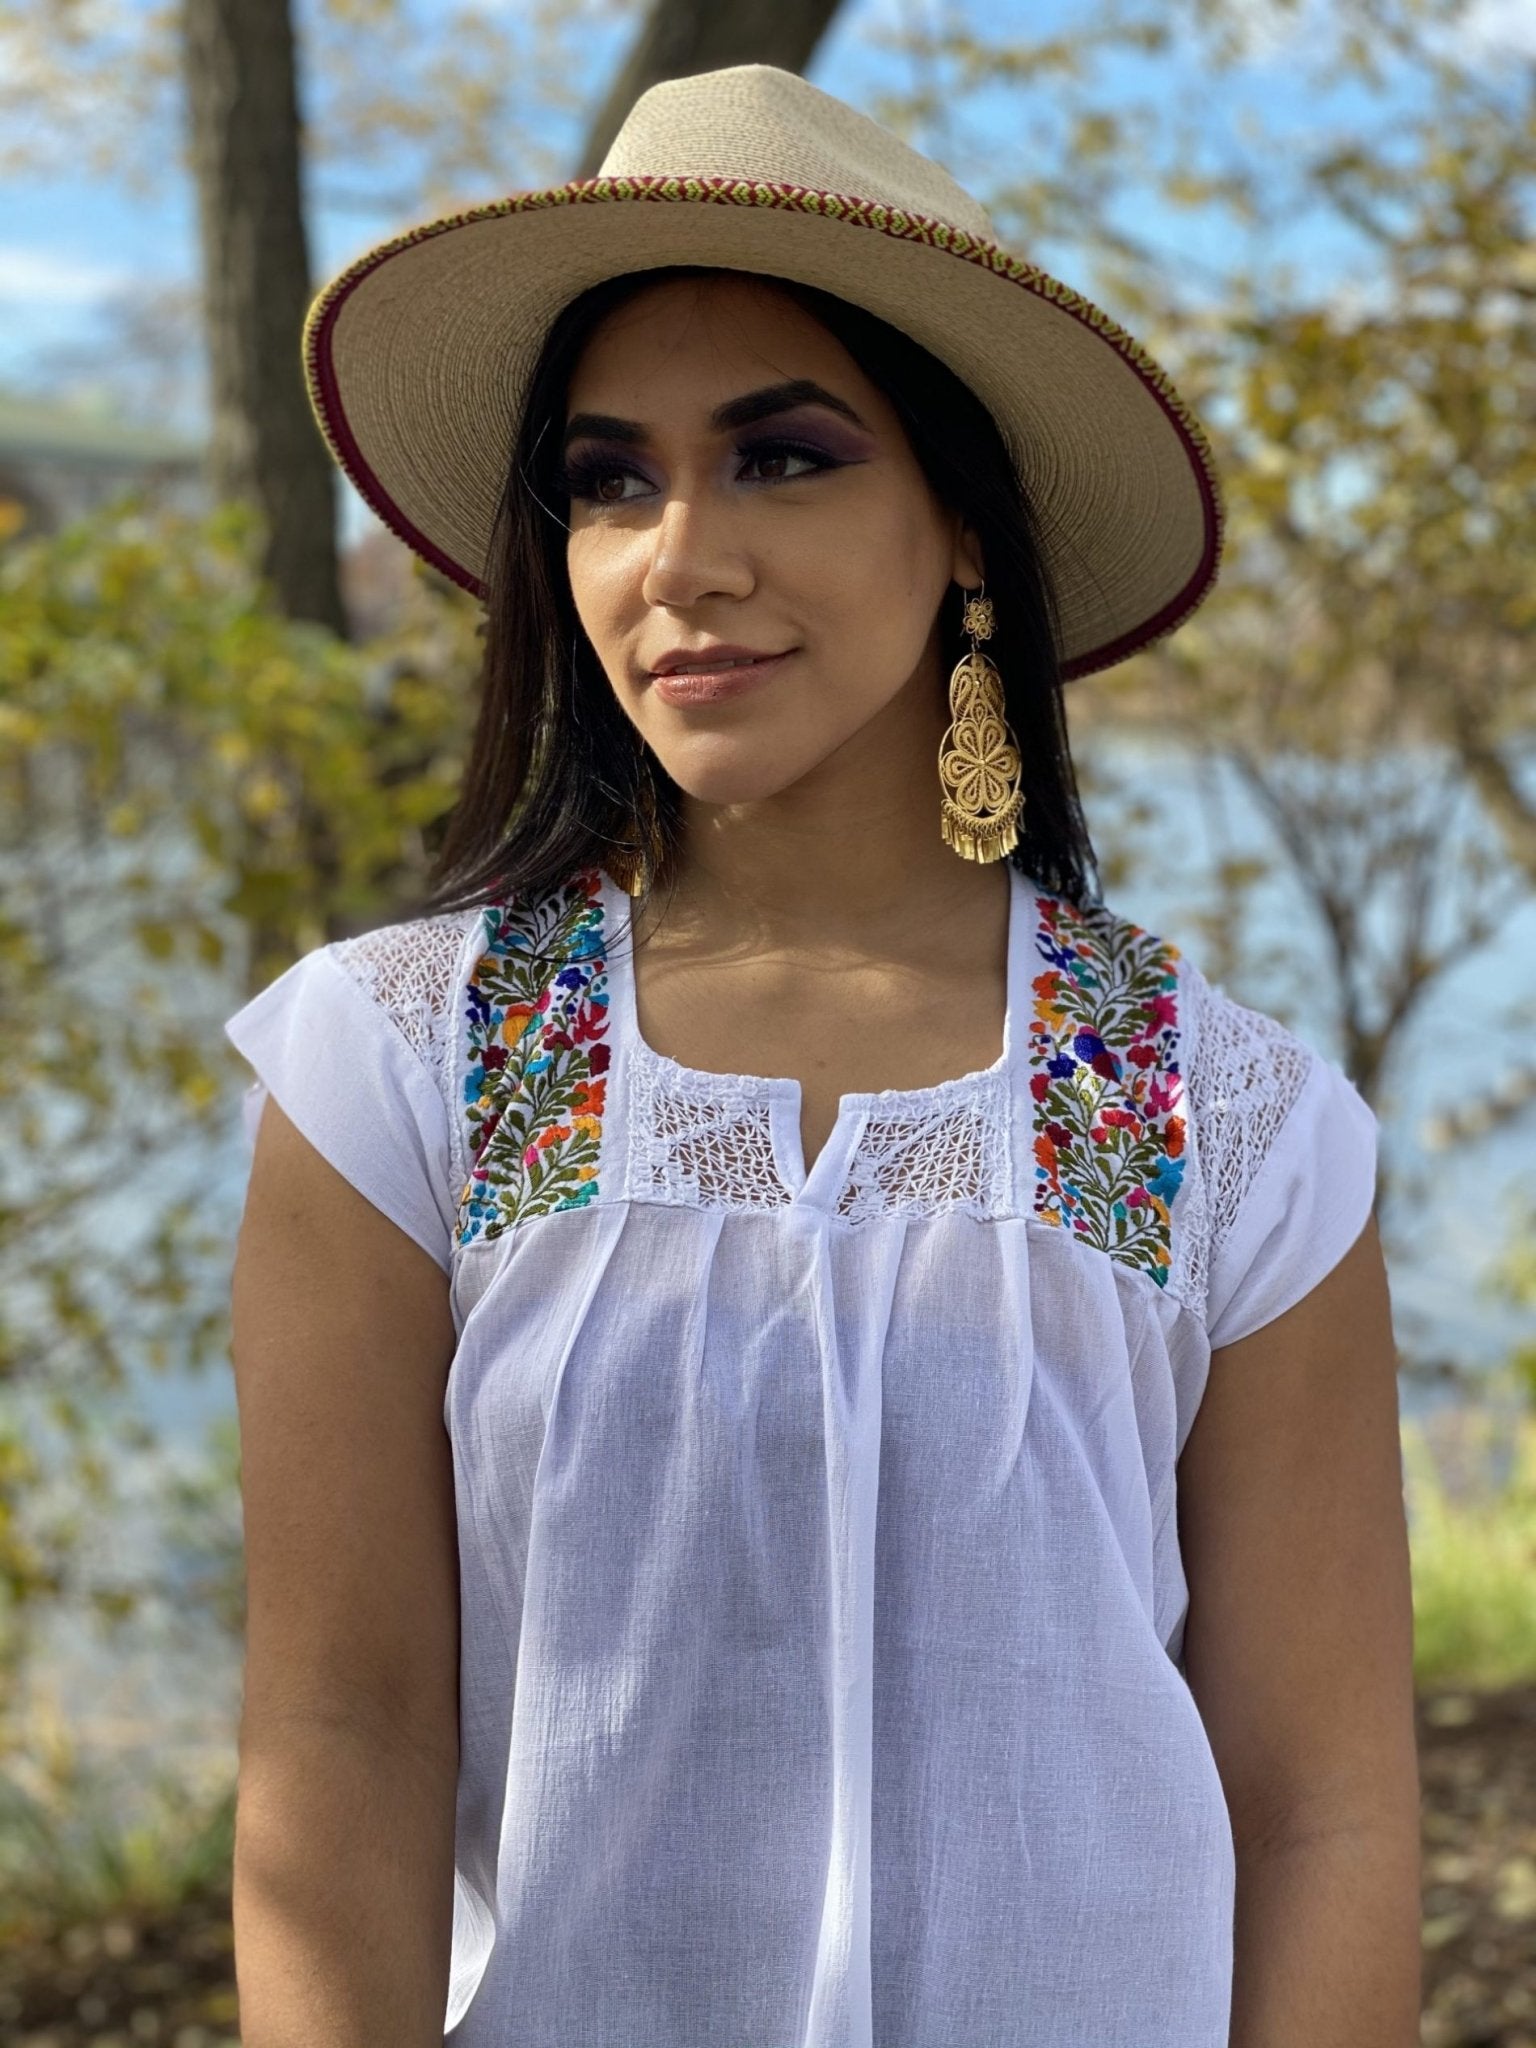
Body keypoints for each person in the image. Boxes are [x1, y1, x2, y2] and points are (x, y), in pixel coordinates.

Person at [223, 63, 1421, 2048]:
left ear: (964, 522)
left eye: (781, 457)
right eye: (609, 479)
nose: (677, 552)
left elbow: (1326, 1808)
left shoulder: (1214, 1115)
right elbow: (339, 1742)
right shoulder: (408, 1073)